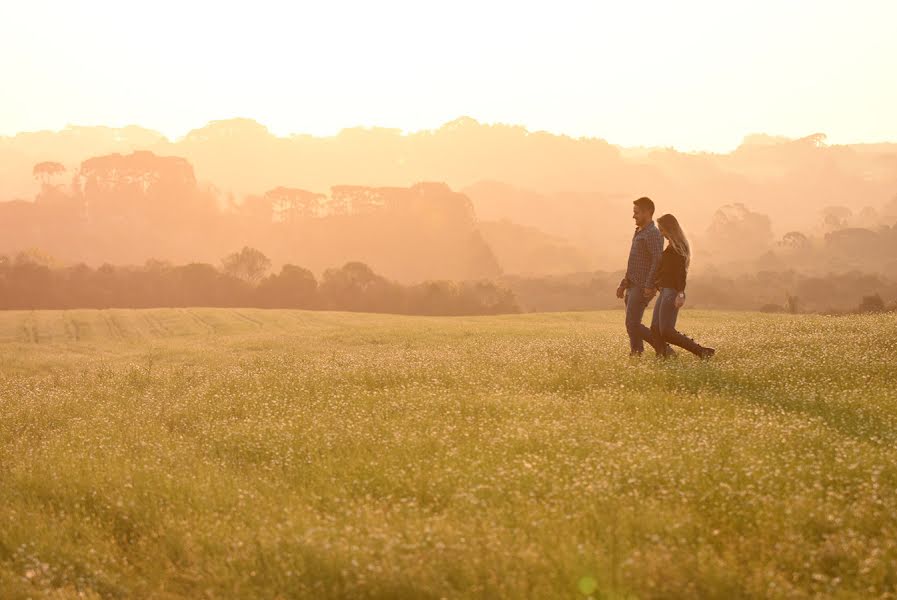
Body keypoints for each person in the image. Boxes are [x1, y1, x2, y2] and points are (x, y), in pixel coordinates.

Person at [650, 213, 715, 359]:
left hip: (671, 292)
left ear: (669, 229)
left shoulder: (678, 247)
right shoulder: (670, 246)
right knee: (655, 328)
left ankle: (702, 352)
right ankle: (663, 357)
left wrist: (680, 293)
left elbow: (680, 273)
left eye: (662, 230)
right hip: (664, 290)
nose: (661, 233)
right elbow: (664, 270)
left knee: (666, 330)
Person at [616, 197, 670, 357]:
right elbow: (633, 261)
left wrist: (649, 285)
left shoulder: (653, 233)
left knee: (632, 323)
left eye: (637, 213)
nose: (633, 216)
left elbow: (657, 259)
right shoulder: (639, 231)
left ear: (648, 212)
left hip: (642, 286)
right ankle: (637, 352)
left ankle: (664, 349)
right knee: (632, 324)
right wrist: (623, 283)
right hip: (632, 284)